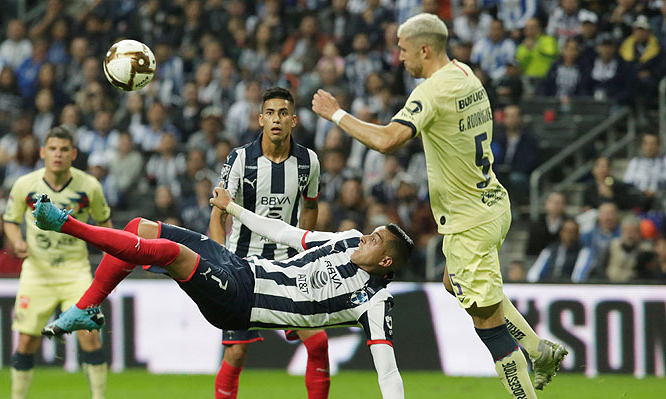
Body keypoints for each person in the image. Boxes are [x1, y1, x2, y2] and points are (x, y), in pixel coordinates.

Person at [311, 13, 567, 396]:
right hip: (492, 203)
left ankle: (528, 384)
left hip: (469, 221)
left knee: (488, 324)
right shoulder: (465, 74)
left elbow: (387, 140)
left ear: (424, 49)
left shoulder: (431, 92)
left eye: (403, 49)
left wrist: (337, 114)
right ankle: (538, 350)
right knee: (453, 281)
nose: (399, 57)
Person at [32, 188, 413, 399]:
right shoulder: (346, 241)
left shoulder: (375, 302)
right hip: (240, 265)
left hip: (240, 302)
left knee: (169, 253)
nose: (365, 236)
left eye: (375, 240)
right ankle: (87, 308)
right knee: (140, 227)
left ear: (385, 263)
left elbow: (389, 372)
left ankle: (65, 224)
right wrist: (236, 209)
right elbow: (287, 234)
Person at [208, 87, 328, 399]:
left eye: (283, 113)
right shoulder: (240, 159)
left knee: (318, 342)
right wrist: (221, 260)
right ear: (261, 119)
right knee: (236, 354)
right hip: (242, 266)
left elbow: (311, 206)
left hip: (288, 268)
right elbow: (218, 213)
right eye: (271, 113)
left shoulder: (308, 162)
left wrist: (306, 250)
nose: (277, 119)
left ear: (294, 121)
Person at [3, 127, 111, 399]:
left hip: (75, 270)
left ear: (73, 153)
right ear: (42, 152)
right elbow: (10, 220)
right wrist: (17, 241)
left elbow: (105, 224)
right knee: (27, 339)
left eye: (64, 149)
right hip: (37, 272)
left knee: (89, 335)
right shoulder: (25, 185)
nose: (58, 155)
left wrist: (109, 257)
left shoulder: (90, 187)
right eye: (52, 149)